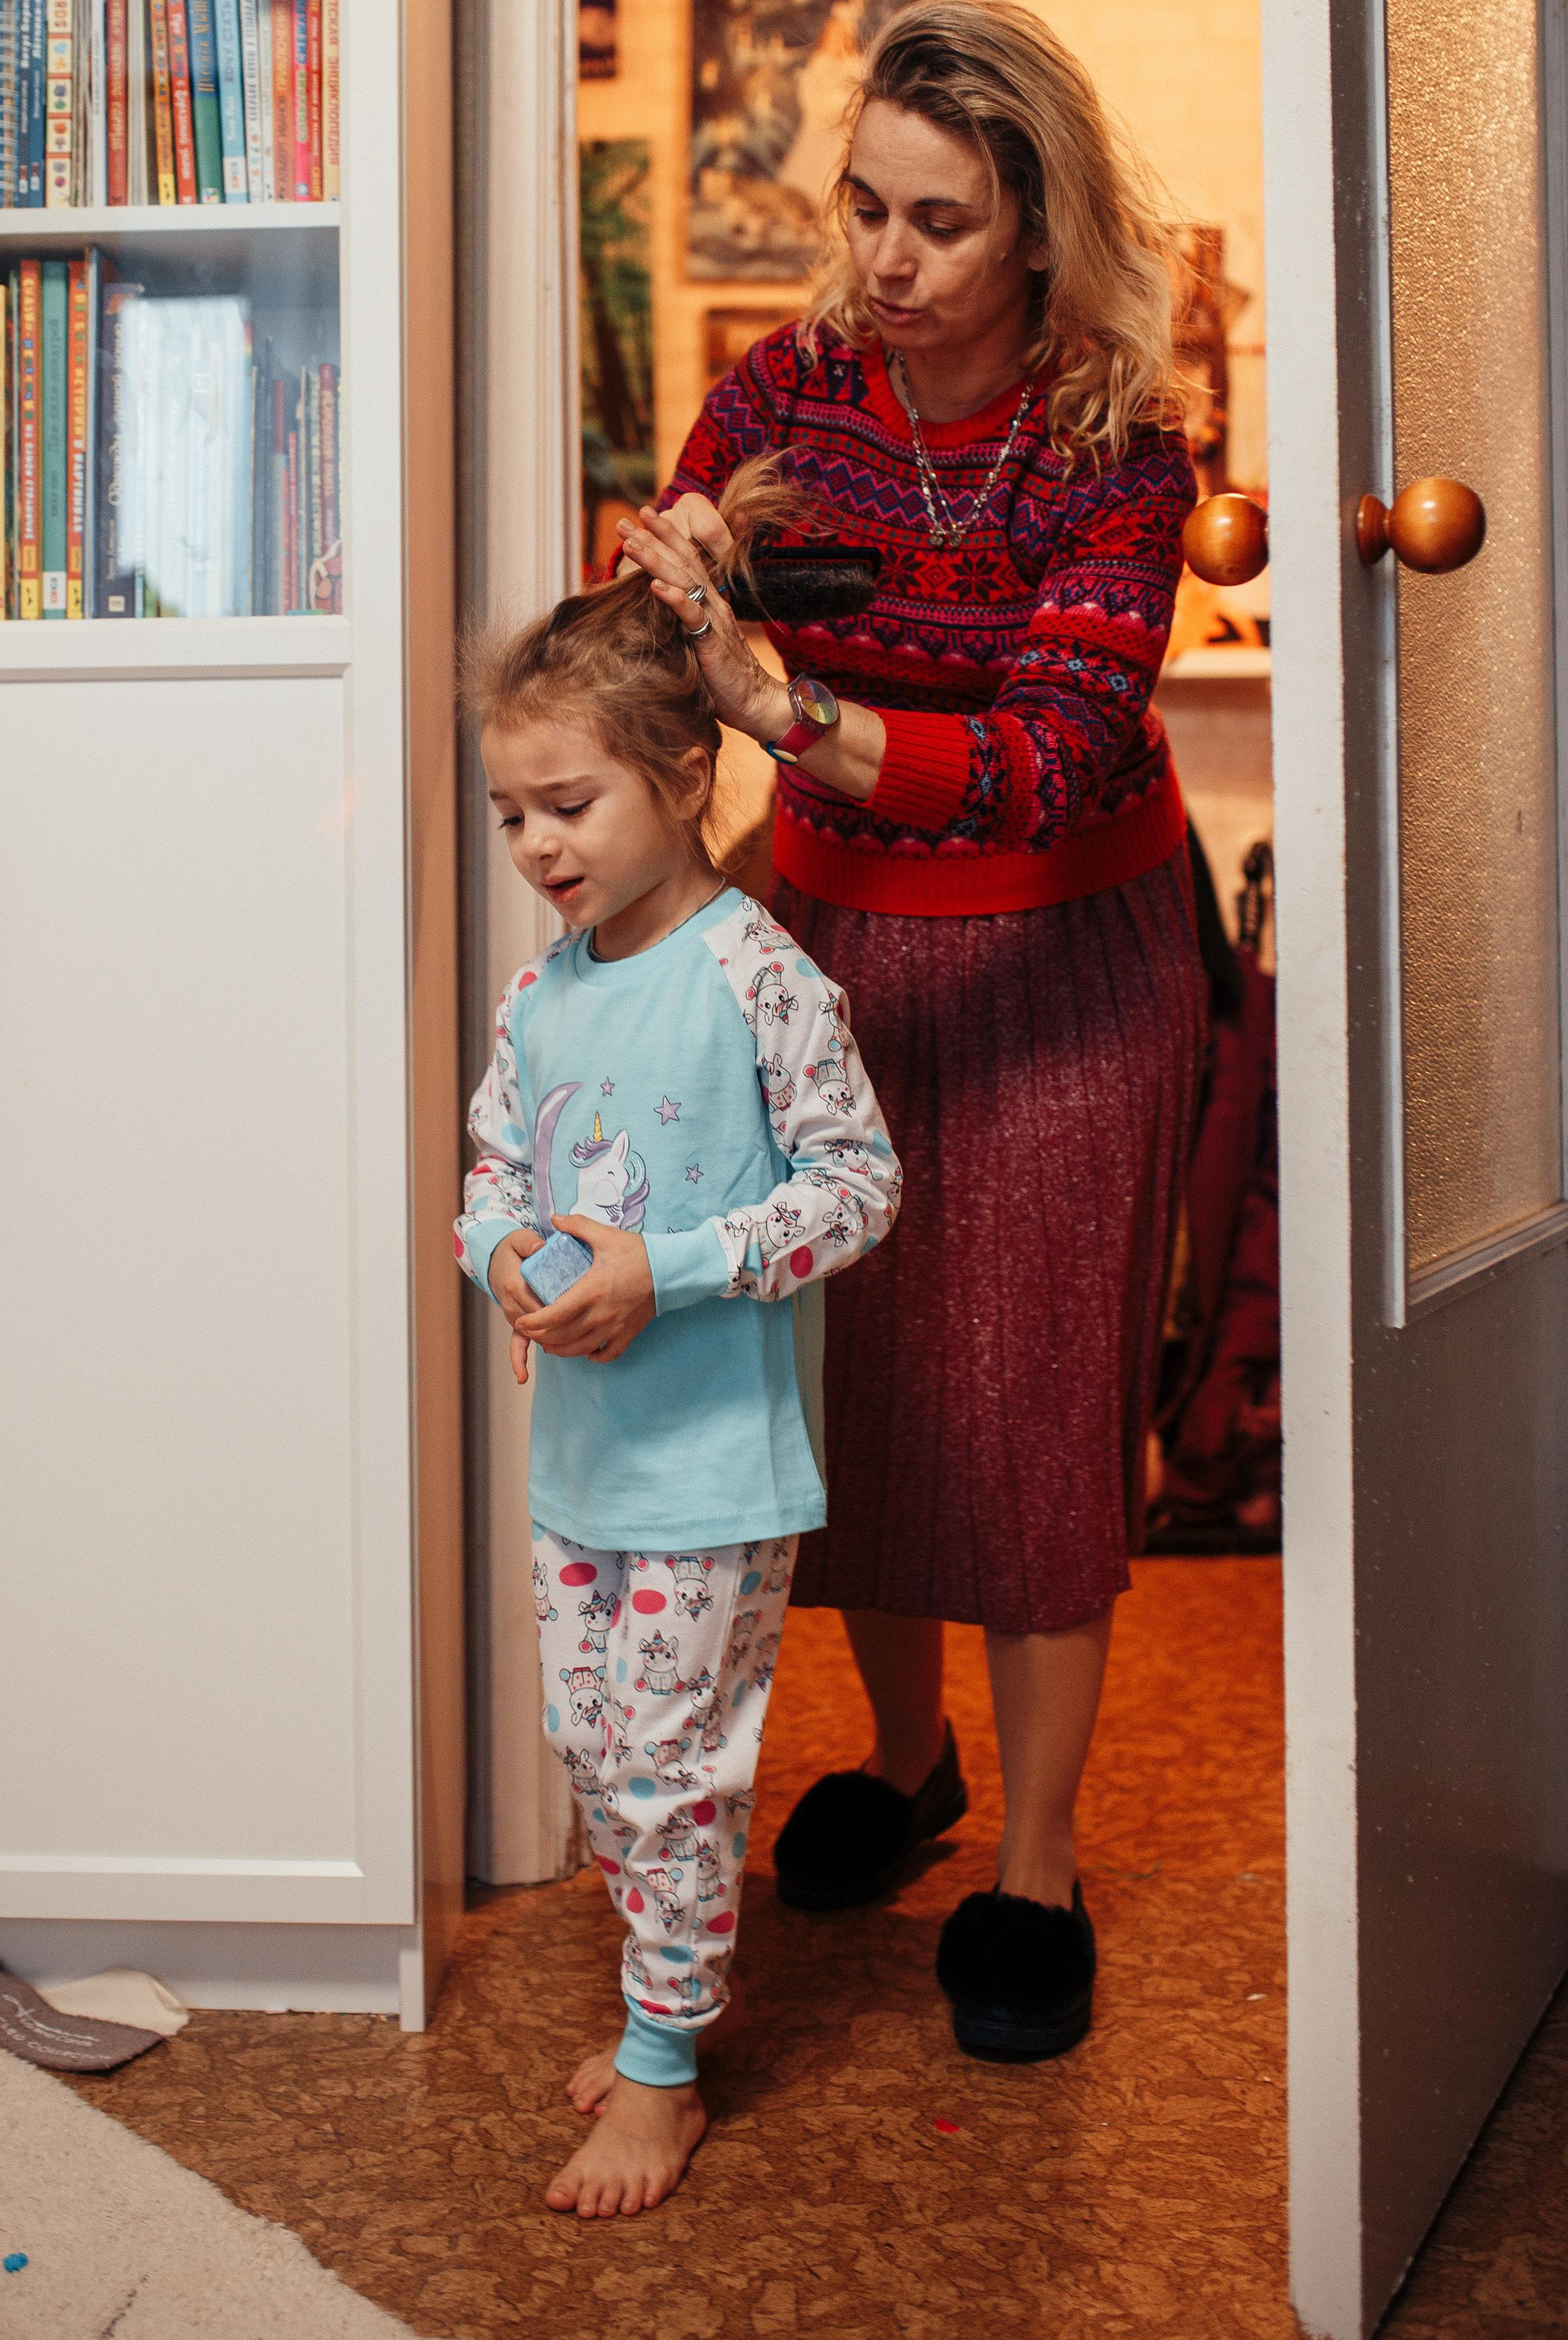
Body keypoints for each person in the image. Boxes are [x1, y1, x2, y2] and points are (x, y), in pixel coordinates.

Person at [615, 0, 1206, 2064]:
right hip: (832, 949)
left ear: (1038, 230)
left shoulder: (1119, 437)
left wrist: (795, 712)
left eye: (937, 222)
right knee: (846, 1387)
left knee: (1035, 1409)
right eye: (862, 208)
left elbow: (1055, 751)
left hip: (1062, 958)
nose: (881, 262)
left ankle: (1035, 1863)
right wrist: (666, 597)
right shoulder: (776, 399)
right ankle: (907, 1757)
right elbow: (658, 671)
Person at [455, 467, 902, 2216]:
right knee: (600, 1759)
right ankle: (663, 2002)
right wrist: (505, 1254)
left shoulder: (759, 978)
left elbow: (858, 1187)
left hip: (711, 1472)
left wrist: (674, 1269)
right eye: (509, 817)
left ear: (681, 776)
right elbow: (491, 1165)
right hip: (579, 1460)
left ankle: (660, 2070)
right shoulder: (539, 991)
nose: (536, 848)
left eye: (562, 804)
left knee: (665, 1768)